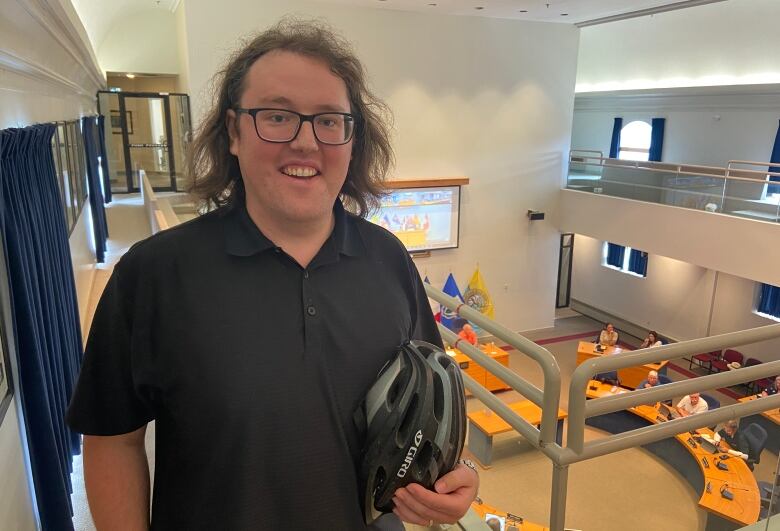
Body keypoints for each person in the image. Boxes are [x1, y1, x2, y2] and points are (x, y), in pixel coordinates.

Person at [66, 20, 477, 530]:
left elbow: (425, 403)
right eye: (277, 117)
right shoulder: (154, 275)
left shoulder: (389, 260)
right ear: (234, 132)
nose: (306, 143)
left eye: (329, 121)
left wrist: (458, 477)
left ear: (352, 140)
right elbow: (112, 439)